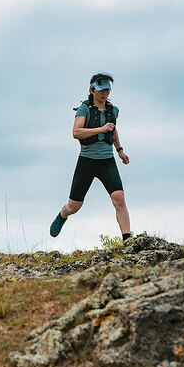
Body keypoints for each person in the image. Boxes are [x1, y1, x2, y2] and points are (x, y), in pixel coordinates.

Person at [50, 71, 131, 241]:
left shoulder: (113, 110)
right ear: (92, 90)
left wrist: (120, 150)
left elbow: (113, 130)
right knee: (74, 206)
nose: (104, 94)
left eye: (107, 91)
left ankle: (127, 241)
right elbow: (76, 132)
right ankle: (62, 215)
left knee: (119, 198)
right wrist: (100, 129)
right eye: (101, 90)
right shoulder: (84, 109)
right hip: (87, 161)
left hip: (107, 161)